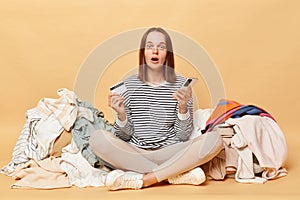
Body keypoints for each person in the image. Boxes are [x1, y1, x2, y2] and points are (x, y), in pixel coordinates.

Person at [89, 27, 223, 190]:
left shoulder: (182, 86)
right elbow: (123, 137)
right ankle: (172, 174)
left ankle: (146, 179)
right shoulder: (128, 86)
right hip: (136, 152)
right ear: (143, 52)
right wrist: (121, 115)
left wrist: (182, 108)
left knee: (215, 139)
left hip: (171, 152)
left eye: (161, 47)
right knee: (97, 139)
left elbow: (183, 136)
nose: (155, 51)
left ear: (168, 53)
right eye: (150, 46)